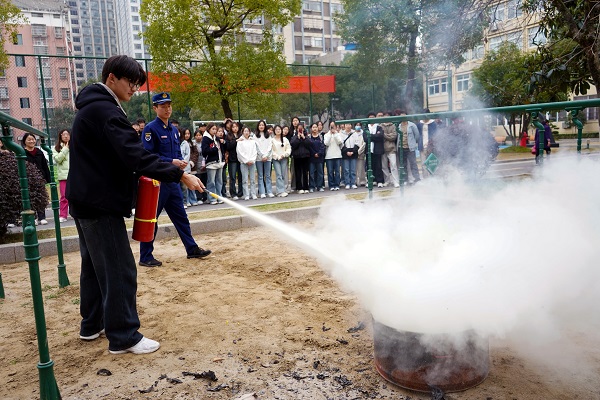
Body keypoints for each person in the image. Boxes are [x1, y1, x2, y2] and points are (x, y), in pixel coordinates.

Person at [66, 55, 207, 355]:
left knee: (93, 267)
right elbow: (135, 156)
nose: (134, 88)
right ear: (112, 78)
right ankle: (124, 335)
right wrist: (181, 175)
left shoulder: (92, 108)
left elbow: (120, 156)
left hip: (85, 200)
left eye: (138, 84)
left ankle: (92, 325)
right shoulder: (105, 111)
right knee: (119, 268)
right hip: (99, 203)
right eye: (131, 82)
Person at [140, 91, 212, 268]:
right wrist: (171, 161)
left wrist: (180, 162)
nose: (167, 109)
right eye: (163, 106)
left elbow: (177, 152)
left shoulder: (173, 130)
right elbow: (148, 156)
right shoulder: (150, 129)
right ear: (155, 108)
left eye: (169, 105)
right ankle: (145, 255)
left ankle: (191, 248)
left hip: (173, 180)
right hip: (157, 182)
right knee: (152, 219)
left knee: (181, 216)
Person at [22, 133, 51, 224]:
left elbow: (45, 166)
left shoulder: (39, 152)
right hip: (28, 179)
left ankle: (42, 217)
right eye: (29, 139)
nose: (31, 141)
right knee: (31, 197)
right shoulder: (22, 153)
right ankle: (33, 217)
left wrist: (47, 178)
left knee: (41, 196)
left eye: (33, 139)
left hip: (40, 177)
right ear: (24, 142)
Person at [201, 122, 226, 204]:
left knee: (219, 181)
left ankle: (219, 197)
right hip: (211, 163)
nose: (215, 131)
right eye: (213, 129)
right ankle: (212, 198)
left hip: (219, 162)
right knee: (211, 182)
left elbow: (222, 147)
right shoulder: (205, 139)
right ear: (209, 129)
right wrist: (215, 149)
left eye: (215, 129)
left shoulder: (216, 138)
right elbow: (204, 152)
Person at [397, 110, 421, 185]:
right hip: (401, 147)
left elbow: (417, 135)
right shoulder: (399, 125)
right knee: (403, 164)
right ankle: (405, 179)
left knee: (413, 163)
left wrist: (414, 143)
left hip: (410, 147)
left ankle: (417, 178)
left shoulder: (412, 125)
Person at [52, 128, 70, 222]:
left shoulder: (75, 146)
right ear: (60, 136)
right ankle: (63, 215)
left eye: (67, 134)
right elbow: (58, 159)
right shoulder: (56, 148)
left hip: (75, 175)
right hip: (63, 176)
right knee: (64, 196)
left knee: (77, 195)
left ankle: (77, 213)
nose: (66, 136)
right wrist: (65, 149)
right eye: (64, 134)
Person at [236, 126, 258, 200]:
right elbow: (239, 152)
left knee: (253, 179)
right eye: (245, 131)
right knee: (244, 179)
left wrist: (252, 160)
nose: (246, 132)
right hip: (243, 162)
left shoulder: (252, 141)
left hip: (252, 162)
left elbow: (254, 151)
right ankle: (246, 194)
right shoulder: (240, 142)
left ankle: (253, 193)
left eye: (248, 131)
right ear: (242, 132)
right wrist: (246, 160)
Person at [255, 120, 274, 198]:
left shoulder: (268, 136)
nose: (261, 126)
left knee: (268, 175)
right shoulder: (255, 136)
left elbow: (270, 146)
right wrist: (262, 155)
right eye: (260, 125)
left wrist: (266, 155)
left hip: (268, 158)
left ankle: (269, 191)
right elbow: (256, 147)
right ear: (258, 126)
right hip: (259, 158)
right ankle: (262, 192)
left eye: (263, 125)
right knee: (260, 176)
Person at [380, 111, 399, 187]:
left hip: (392, 148)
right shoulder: (380, 126)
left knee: (394, 165)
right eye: (385, 115)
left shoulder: (393, 126)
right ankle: (387, 180)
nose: (386, 117)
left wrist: (384, 135)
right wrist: (388, 136)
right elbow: (380, 136)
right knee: (384, 166)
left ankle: (395, 181)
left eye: (388, 115)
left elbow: (394, 136)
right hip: (383, 149)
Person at [271, 125, 291, 197]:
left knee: (283, 175)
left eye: (279, 129)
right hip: (276, 159)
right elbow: (272, 151)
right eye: (276, 129)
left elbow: (288, 149)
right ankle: (280, 191)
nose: (278, 130)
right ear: (274, 131)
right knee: (278, 174)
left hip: (284, 159)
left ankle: (282, 189)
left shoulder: (285, 139)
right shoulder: (272, 140)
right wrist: (277, 157)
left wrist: (284, 155)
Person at [366, 112, 385, 187]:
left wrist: (370, 136)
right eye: (370, 118)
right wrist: (374, 136)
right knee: (369, 166)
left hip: (377, 150)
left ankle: (379, 181)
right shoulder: (366, 127)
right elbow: (365, 138)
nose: (371, 119)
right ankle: (371, 180)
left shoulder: (379, 127)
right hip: (369, 150)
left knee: (378, 166)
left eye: (373, 117)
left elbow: (380, 136)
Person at [290, 123, 310, 194]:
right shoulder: (294, 137)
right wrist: (298, 137)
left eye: (301, 128)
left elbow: (309, 144)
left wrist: (303, 137)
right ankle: (299, 187)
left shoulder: (307, 136)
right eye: (299, 128)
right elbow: (293, 144)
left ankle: (306, 187)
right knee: (298, 173)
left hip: (305, 156)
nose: (300, 130)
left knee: (305, 173)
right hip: (297, 157)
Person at [225, 121, 243, 200]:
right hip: (232, 159)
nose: (235, 128)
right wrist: (236, 141)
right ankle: (233, 193)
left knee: (240, 176)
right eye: (233, 127)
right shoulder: (228, 136)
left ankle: (240, 192)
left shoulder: (241, 135)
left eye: (236, 127)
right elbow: (228, 146)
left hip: (241, 158)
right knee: (232, 177)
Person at [323, 121, 342, 191]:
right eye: (331, 126)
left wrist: (335, 134)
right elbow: (326, 143)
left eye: (333, 126)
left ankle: (337, 184)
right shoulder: (326, 135)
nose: (332, 127)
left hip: (337, 155)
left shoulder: (338, 134)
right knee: (330, 172)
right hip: (329, 156)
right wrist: (330, 134)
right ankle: (331, 185)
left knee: (337, 171)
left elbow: (339, 142)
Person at [340, 123, 360, 189]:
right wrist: (346, 151)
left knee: (353, 169)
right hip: (345, 152)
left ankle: (353, 183)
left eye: (349, 124)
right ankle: (347, 183)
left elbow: (357, 143)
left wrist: (353, 151)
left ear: (351, 125)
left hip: (353, 152)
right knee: (346, 170)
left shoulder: (354, 133)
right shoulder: (341, 134)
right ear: (344, 126)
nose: (348, 126)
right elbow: (341, 144)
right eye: (346, 125)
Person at [308, 122, 326, 192]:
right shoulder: (309, 137)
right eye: (313, 127)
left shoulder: (321, 137)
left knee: (320, 173)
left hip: (320, 158)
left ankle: (320, 186)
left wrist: (319, 153)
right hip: (311, 158)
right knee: (311, 173)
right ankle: (312, 186)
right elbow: (309, 147)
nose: (315, 128)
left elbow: (323, 147)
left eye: (316, 127)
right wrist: (313, 153)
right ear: (311, 128)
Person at [179, 127, 193, 208]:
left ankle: (185, 201)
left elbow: (188, 155)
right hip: (176, 167)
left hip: (185, 168)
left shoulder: (185, 143)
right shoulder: (174, 142)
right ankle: (180, 202)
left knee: (184, 187)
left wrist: (183, 163)